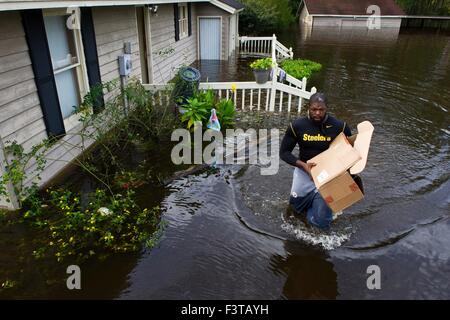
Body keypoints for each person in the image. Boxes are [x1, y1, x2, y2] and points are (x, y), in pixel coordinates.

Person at [279, 92, 352, 229]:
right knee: (295, 212)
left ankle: (322, 215)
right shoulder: (297, 126)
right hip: (304, 173)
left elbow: (350, 152)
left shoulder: (340, 127)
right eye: (314, 109)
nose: (317, 113)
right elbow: (284, 153)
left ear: (327, 109)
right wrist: (303, 165)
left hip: (328, 177)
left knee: (322, 222)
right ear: (308, 107)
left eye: (321, 110)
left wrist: (345, 177)